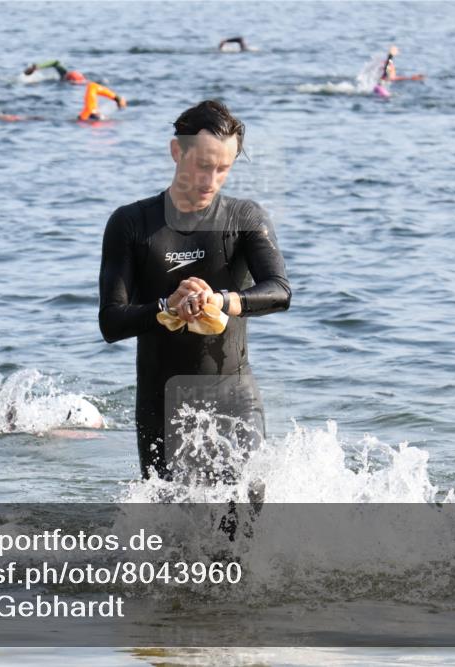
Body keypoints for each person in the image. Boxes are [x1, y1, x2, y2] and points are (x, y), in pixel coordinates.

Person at [98, 100, 291, 481]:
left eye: (224, 169)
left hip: (233, 396)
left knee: (246, 517)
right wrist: (166, 307)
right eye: (203, 165)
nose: (211, 181)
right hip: (161, 400)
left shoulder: (244, 218)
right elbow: (111, 322)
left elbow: (280, 291)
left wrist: (221, 300)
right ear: (177, 151)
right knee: (171, 528)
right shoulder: (132, 223)